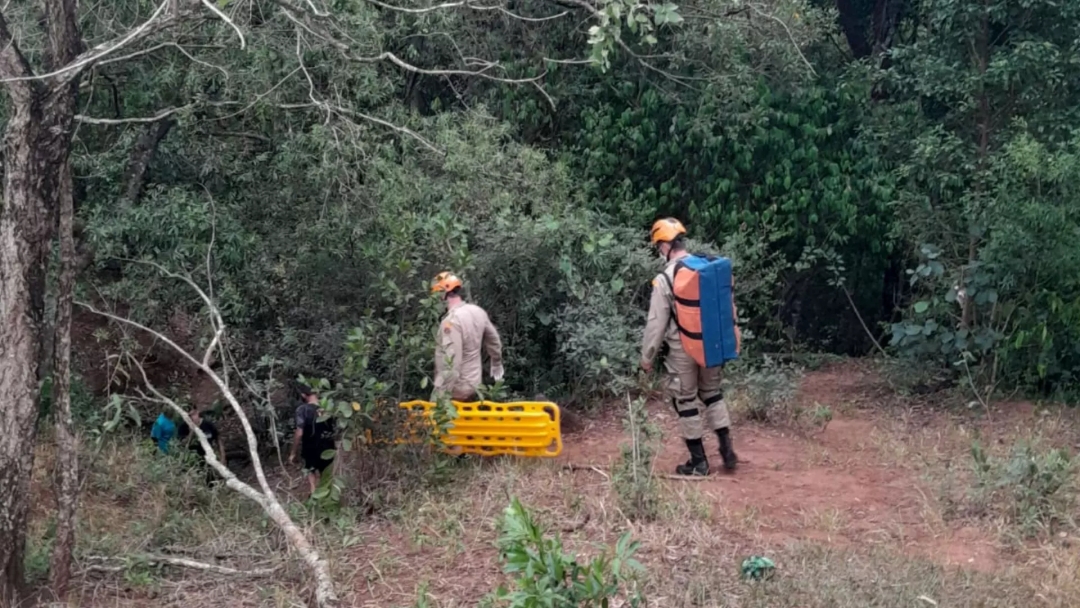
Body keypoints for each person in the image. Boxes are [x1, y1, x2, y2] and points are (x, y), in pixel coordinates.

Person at [640, 218, 738, 476]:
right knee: (712, 393)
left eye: (658, 246)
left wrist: (646, 358)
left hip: (682, 349)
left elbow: (656, 324)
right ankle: (727, 450)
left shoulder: (665, 279)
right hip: (711, 344)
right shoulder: (707, 267)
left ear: (664, 246)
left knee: (685, 400)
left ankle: (699, 462)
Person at [429, 271, 505, 402]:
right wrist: (496, 362)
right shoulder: (477, 311)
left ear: (442, 295)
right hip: (475, 384)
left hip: (456, 389)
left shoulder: (451, 322)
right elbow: (494, 340)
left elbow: (453, 362)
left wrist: (439, 396)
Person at [289, 387, 337, 497]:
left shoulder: (302, 410)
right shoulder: (328, 408)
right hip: (328, 445)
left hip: (310, 446)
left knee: (311, 469)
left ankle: (314, 492)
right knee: (326, 471)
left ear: (304, 395)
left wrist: (293, 452)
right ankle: (328, 495)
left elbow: (299, 432)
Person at [177, 408, 226, 484]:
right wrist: (191, 432)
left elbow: (218, 439)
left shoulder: (208, 425)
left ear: (197, 412)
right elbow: (183, 444)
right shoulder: (183, 427)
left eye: (193, 415)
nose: (192, 418)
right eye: (189, 416)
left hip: (208, 459)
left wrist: (223, 457)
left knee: (211, 481)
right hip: (193, 462)